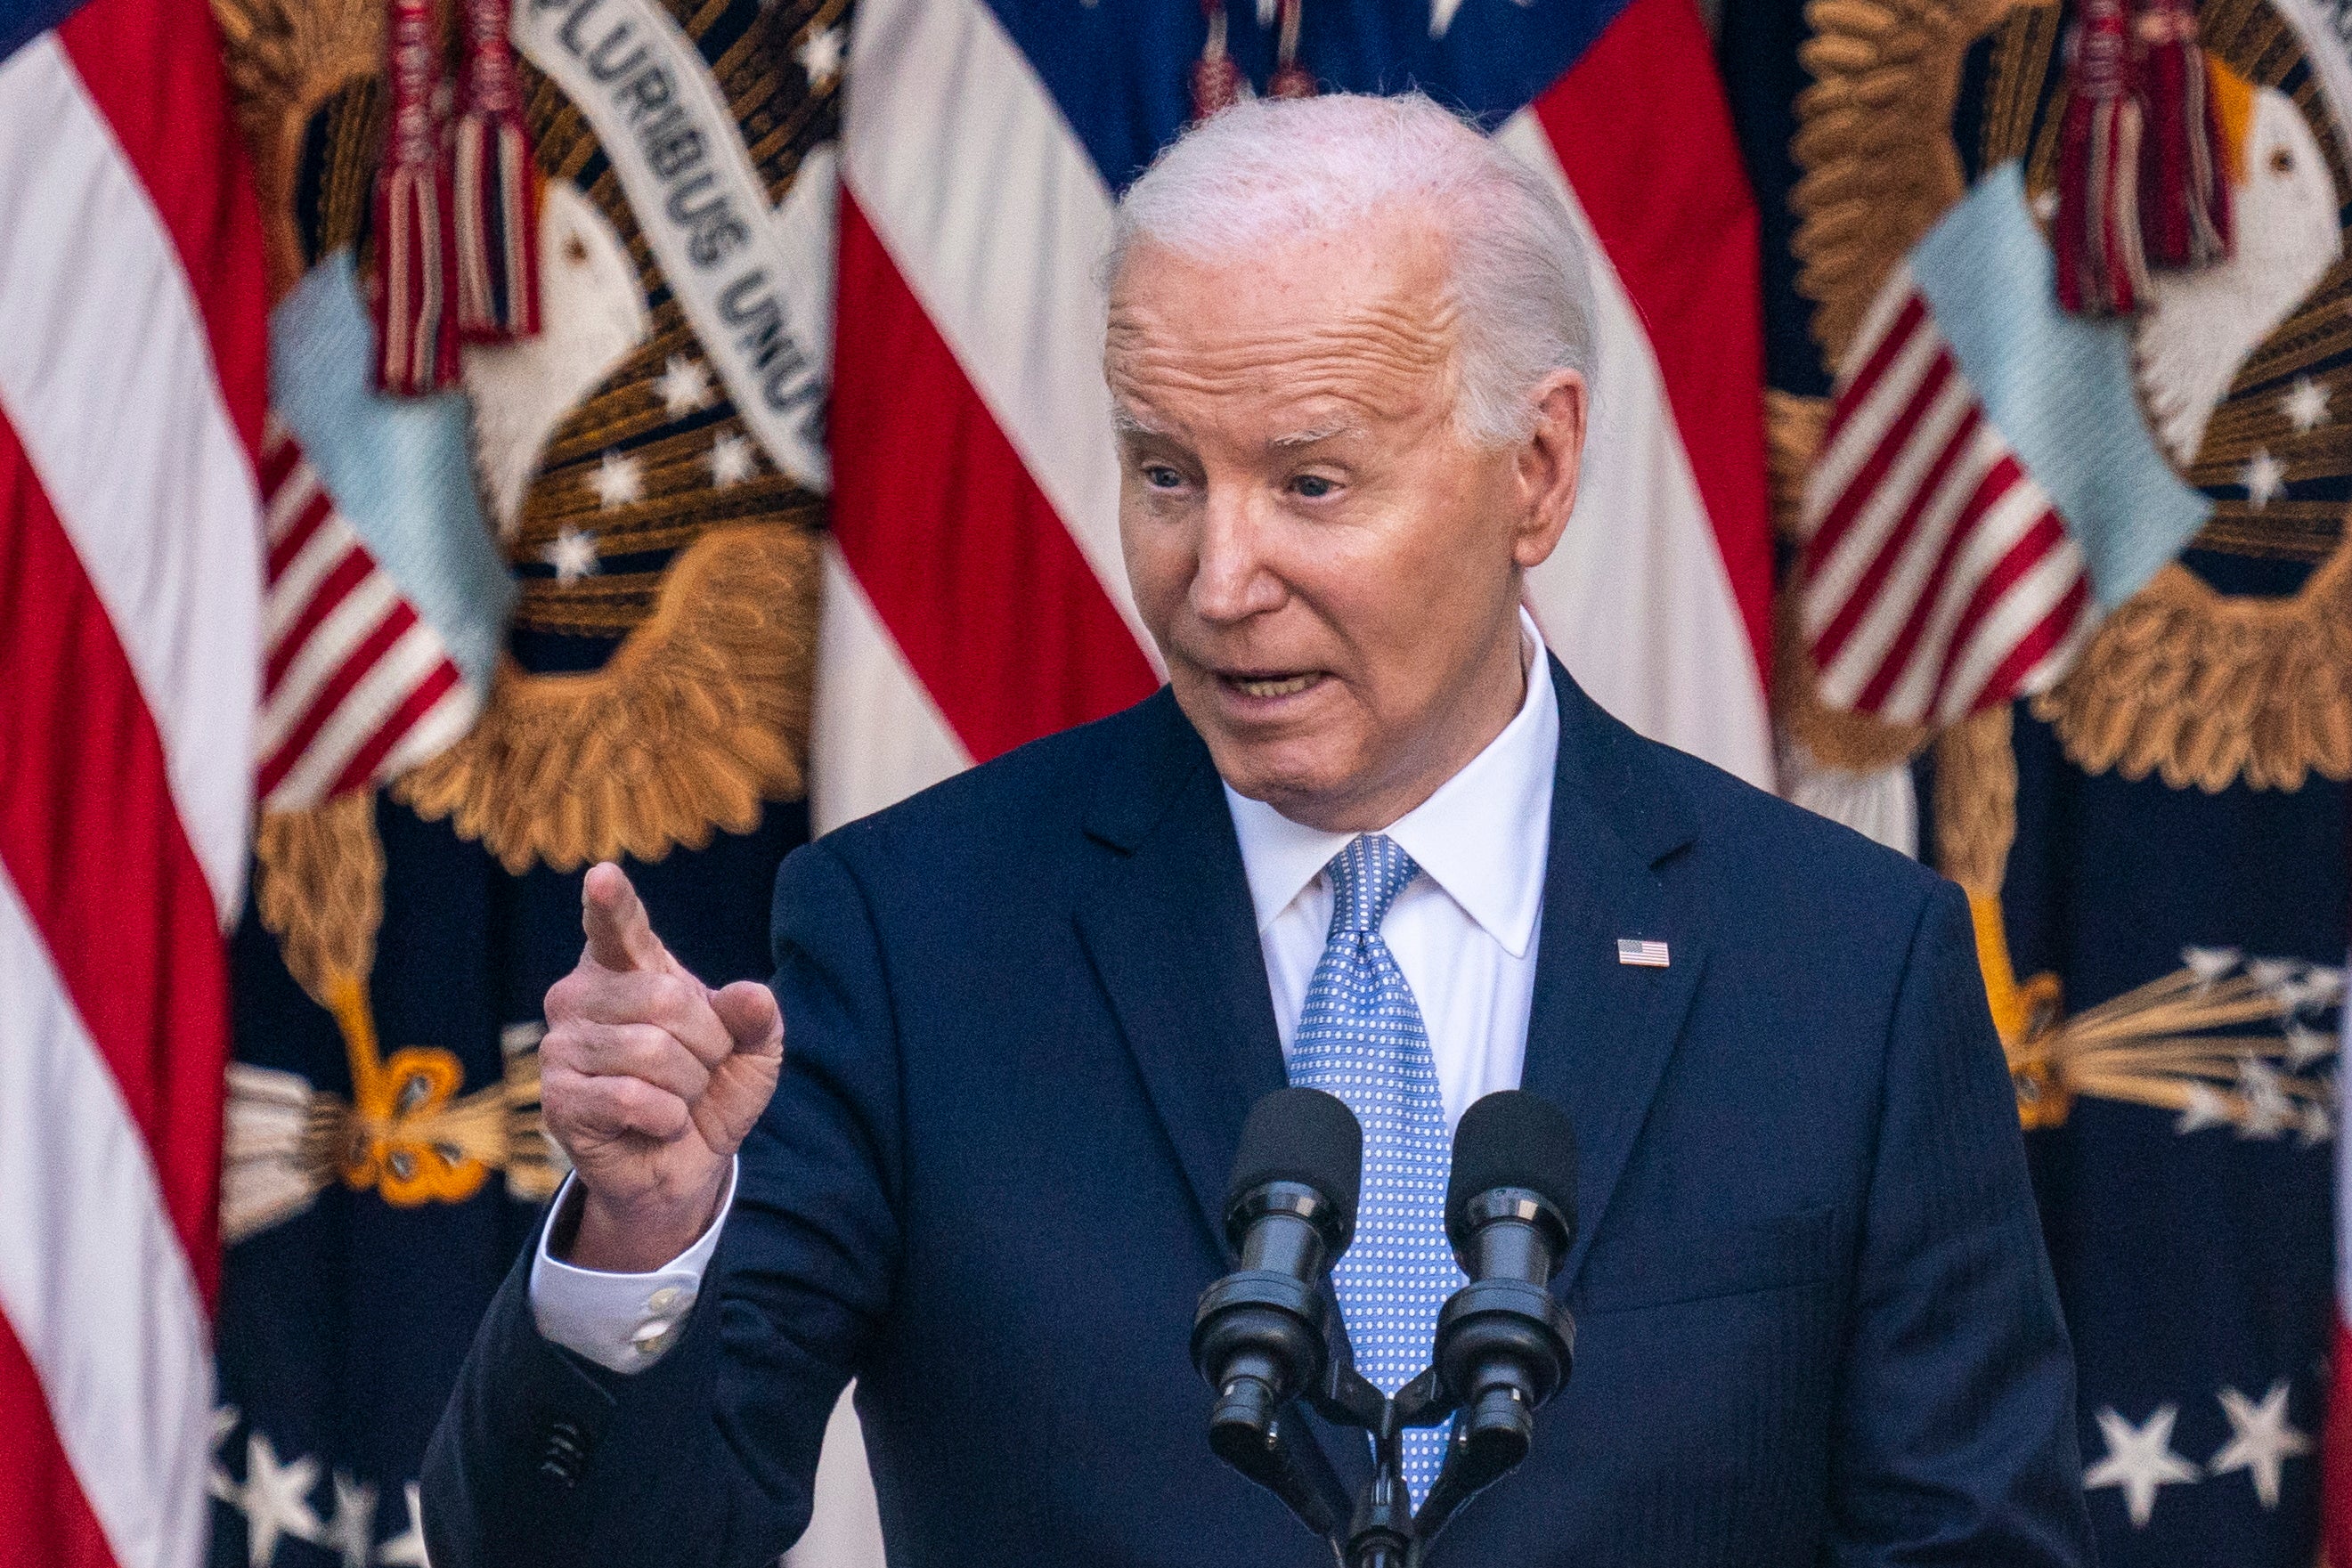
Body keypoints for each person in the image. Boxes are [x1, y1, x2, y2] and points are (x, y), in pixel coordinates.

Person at [423, 92, 2093, 1566]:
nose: (1215, 583)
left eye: (1307, 482)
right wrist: (641, 1238)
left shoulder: (1842, 968)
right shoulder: (916, 934)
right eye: (1164, 472)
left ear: (1538, 466)